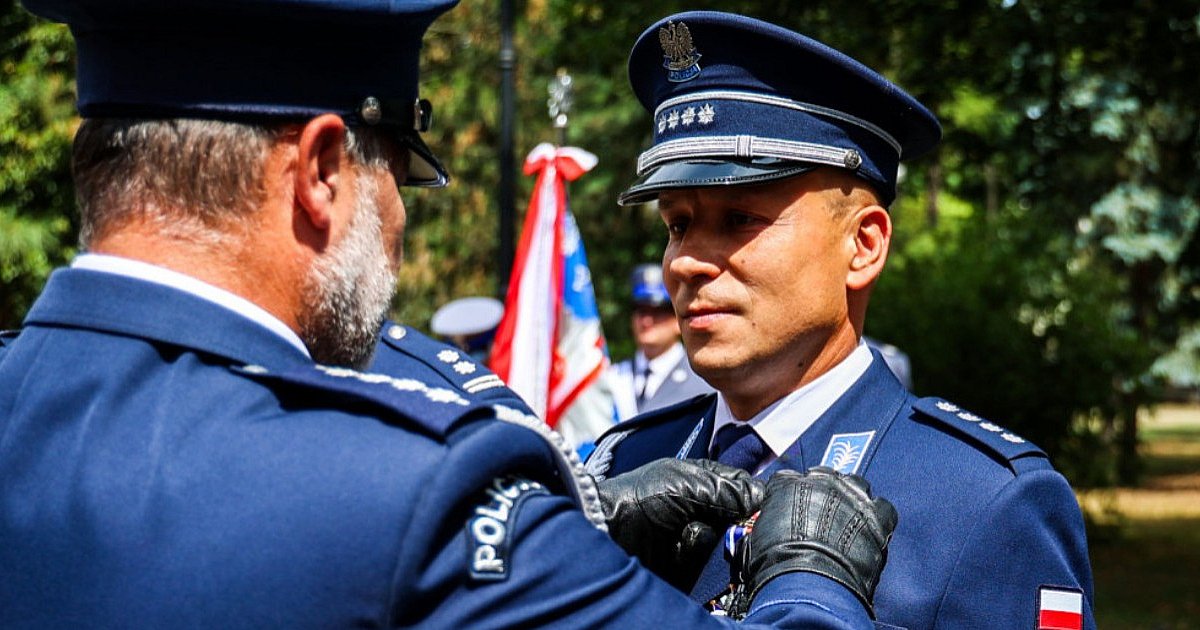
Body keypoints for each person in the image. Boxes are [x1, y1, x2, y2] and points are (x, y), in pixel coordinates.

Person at [0, 1, 901, 628]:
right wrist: (812, 584)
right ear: (319, 174)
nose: (395, 221)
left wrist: (575, 523)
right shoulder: (416, 495)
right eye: (398, 172)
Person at [586, 11, 1097, 630]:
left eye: (740, 218)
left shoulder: (984, 503)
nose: (687, 260)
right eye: (678, 225)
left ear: (863, 246)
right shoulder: (626, 467)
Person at [608, 264, 713, 420]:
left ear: (678, 318)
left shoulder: (705, 379)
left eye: (657, 312)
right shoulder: (612, 376)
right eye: (640, 311)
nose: (646, 321)